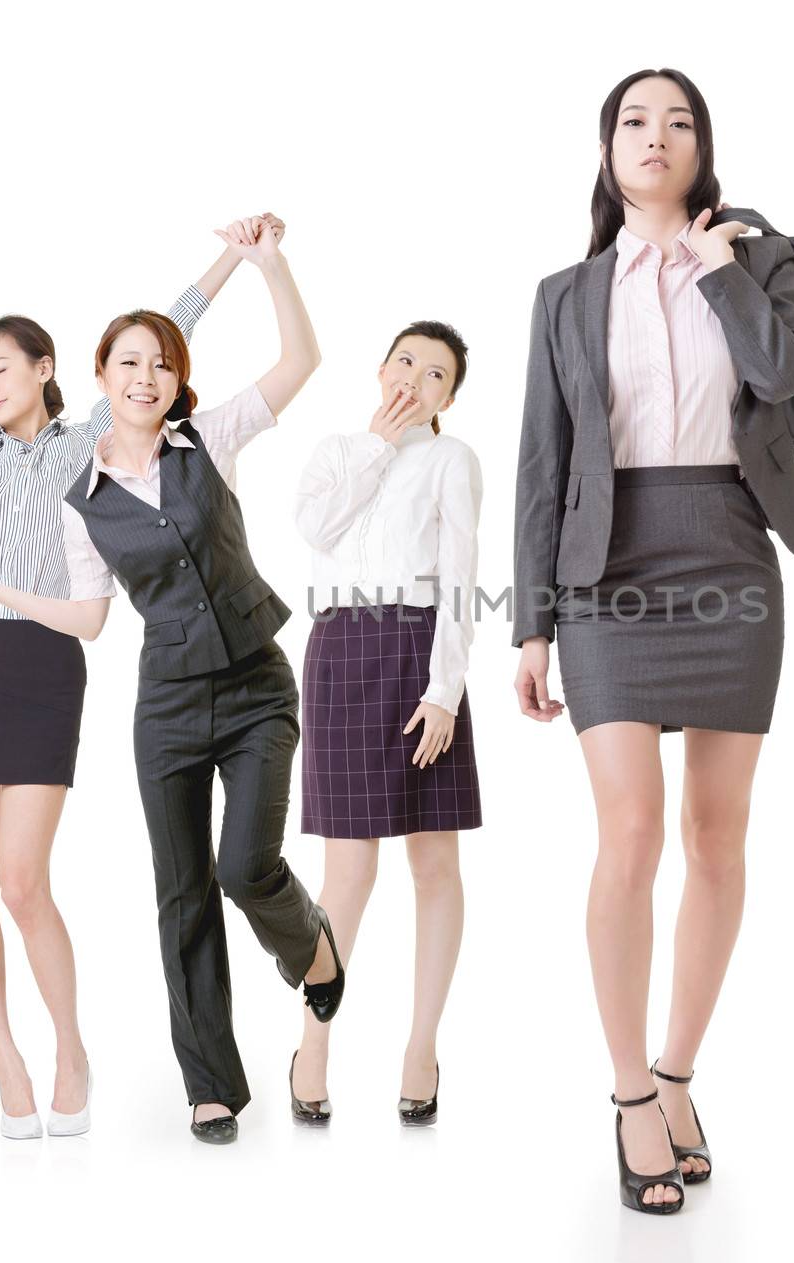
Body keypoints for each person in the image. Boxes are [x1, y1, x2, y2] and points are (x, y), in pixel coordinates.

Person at [0, 164, 247, 1139]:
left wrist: (232, 258)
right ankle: (5, 1054)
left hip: (44, 667)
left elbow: (167, 331)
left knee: (23, 879)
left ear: (47, 367)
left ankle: (68, 1043)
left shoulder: (87, 439)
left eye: (0, 369)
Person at [0, 214, 345, 1145]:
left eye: (159, 361)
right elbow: (87, 619)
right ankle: (210, 1083)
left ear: (175, 376)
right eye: (127, 362)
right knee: (181, 887)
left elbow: (302, 359)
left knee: (246, 866)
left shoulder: (212, 438)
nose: (145, 375)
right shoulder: (80, 497)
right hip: (165, 704)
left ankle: (311, 943)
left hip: (255, 686)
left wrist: (267, 268)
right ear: (99, 379)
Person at [511, 69, 794, 1213]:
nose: (656, 137)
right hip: (606, 568)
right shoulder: (563, 294)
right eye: (635, 122)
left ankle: (680, 1071)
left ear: (702, 149)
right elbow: (542, 463)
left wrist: (719, 268)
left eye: (677, 122)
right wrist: (532, 625)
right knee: (630, 828)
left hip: (729, 550)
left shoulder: (750, 259)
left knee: (716, 836)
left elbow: (784, 372)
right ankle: (629, 1091)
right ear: (607, 148)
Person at [288, 321, 484, 1129]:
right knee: (347, 874)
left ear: (448, 396)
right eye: (406, 360)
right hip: (338, 647)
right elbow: (316, 531)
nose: (415, 377)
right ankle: (313, 1045)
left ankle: (421, 1047)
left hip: (418, 648)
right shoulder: (337, 450)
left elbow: (464, 575)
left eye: (435, 373)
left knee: (434, 863)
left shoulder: (452, 459)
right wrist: (374, 446)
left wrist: (445, 690)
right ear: (380, 368)